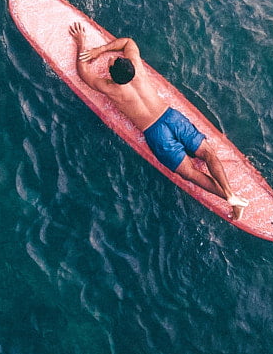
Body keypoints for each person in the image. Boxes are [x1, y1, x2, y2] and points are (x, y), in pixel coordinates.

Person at [69, 22, 249, 220]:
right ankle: (231, 194)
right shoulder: (136, 66)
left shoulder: (110, 88)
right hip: (172, 117)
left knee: (189, 172)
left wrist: (83, 44)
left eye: (111, 62)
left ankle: (228, 197)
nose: (111, 59)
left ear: (111, 77)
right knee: (207, 153)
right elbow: (128, 42)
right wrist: (103, 49)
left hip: (156, 133)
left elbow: (83, 73)